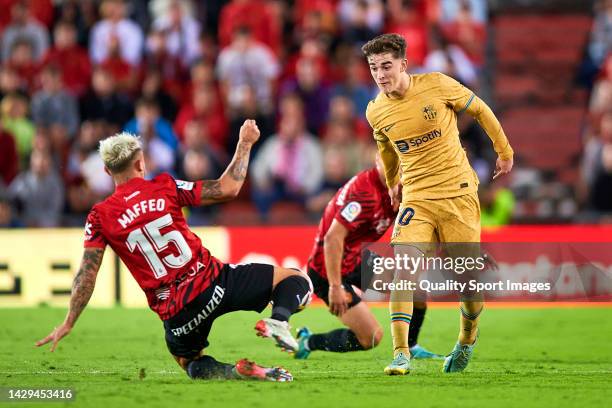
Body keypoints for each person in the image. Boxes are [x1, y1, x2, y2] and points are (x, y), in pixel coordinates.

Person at [36, 120, 313, 382]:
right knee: (297, 281)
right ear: (140, 163)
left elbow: (87, 275)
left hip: (178, 313)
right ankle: (278, 321)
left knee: (189, 362)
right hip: (215, 284)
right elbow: (227, 189)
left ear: (108, 172)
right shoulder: (165, 186)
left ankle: (236, 372)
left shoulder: (99, 216)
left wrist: (69, 321)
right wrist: (245, 142)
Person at [362, 34, 513, 374]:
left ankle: (466, 340)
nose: (381, 74)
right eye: (374, 68)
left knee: (468, 282)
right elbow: (385, 149)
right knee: (404, 271)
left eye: (386, 66)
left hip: (457, 192)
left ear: (403, 64)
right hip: (417, 196)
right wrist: (391, 182)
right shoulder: (376, 110)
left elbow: (479, 109)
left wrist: (504, 150)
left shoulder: (437, 85)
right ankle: (401, 352)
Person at [295, 154, 442, 360]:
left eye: (400, 164)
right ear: (377, 160)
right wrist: (335, 286)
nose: (396, 168)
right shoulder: (365, 194)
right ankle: (308, 341)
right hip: (328, 270)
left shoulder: (400, 190)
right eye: (390, 162)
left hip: (356, 259)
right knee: (371, 337)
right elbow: (332, 239)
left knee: (416, 292)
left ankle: (411, 346)